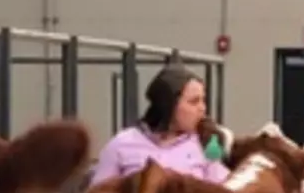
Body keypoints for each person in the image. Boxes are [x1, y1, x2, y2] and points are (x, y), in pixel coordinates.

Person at [88, 63, 230, 186]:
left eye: (203, 100)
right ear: (168, 105)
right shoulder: (121, 145)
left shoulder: (206, 144)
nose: (202, 108)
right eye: (194, 102)